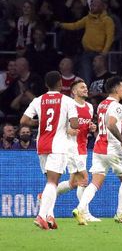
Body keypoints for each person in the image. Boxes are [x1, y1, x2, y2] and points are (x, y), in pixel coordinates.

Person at [73, 76, 122, 226]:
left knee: (95, 182)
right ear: (116, 89)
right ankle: (121, 214)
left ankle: (80, 208)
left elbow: (107, 123)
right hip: (112, 148)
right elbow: (110, 124)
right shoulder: (117, 106)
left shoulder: (102, 104)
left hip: (98, 147)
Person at [20, 71, 79, 230]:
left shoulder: (38, 100)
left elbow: (24, 121)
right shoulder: (67, 101)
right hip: (58, 145)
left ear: (46, 85)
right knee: (53, 182)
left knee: (51, 182)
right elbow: (74, 124)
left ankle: (50, 216)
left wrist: (40, 122)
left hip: (42, 144)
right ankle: (41, 216)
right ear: (60, 83)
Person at [53, 80, 99, 222]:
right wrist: (68, 129)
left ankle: (46, 195)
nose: (85, 89)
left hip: (82, 147)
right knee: (84, 179)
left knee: (73, 183)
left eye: (86, 87)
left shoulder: (90, 107)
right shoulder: (68, 105)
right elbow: (60, 125)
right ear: (74, 91)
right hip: (70, 147)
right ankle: (84, 213)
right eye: (82, 87)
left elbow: (87, 126)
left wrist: (92, 128)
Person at [56, 0, 115, 84]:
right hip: (87, 53)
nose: (92, 7)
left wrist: (105, 51)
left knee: (100, 75)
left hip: (99, 53)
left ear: (101, 7)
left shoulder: (107, 20)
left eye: (94, 5)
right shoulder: (87, 19)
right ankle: (86, 94)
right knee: (85, 75)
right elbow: (75, 25)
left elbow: (110, 37)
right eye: (91, 5)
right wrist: (62, 25)